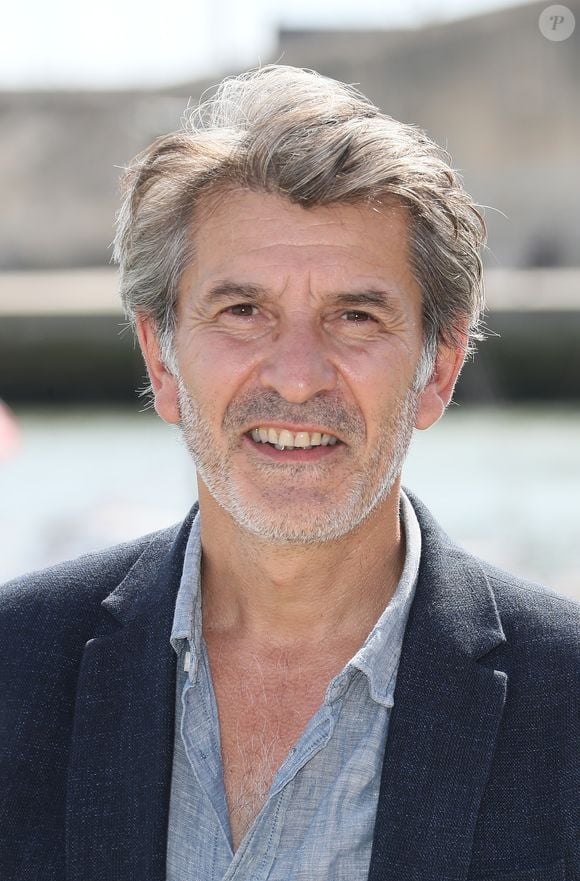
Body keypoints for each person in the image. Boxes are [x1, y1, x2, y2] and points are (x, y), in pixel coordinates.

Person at [0, 65, 577, 881]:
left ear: (439, 369)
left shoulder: (567, 702)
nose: (299, 375)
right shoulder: (13, 670)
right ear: (161, 361)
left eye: (355, 315)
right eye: (244, 312)